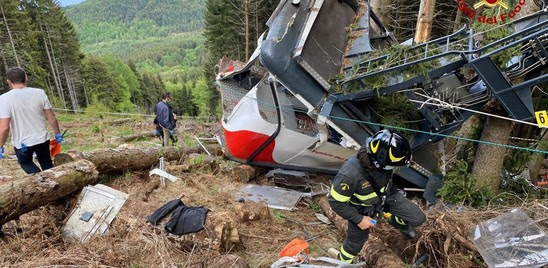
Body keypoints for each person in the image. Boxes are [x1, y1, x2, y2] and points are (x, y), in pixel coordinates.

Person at [327, 130, 426, 264]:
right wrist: (359, 219)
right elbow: (335, 202)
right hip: (361, 209)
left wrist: (405, 156)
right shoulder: (349, 175)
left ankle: (394, 220)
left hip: (387, 196)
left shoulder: (383, 156)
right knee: (355, 243)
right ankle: (344, 262)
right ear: (379, 161)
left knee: (418, 218)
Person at [0, 67, 64, 174]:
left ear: (9, 82)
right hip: (42, 138)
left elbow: (4, 127)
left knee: (26, 163)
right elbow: (51, 117)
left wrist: (1, 145)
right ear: (26, 78)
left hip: (22, 143)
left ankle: (42, 181)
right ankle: (52, 181)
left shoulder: (4, 99)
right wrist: (57, 133)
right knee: (46, 162)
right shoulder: (39, 93)